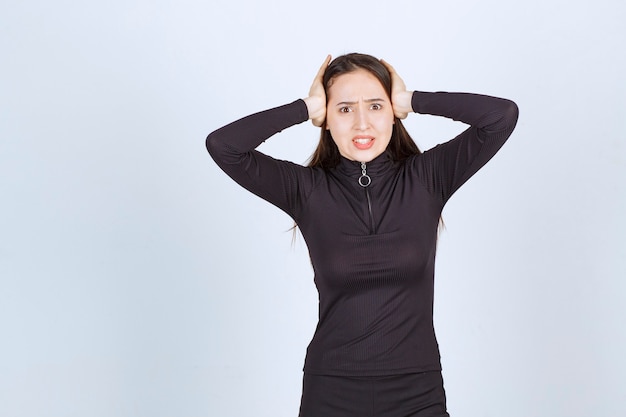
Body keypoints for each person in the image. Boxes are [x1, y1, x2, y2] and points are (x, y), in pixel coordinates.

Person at [206, 53, 519, 417]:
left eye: (375, 106)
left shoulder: (428, 179)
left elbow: (501, 117)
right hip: (332, 391)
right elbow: (224, 146)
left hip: (417, 391)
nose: (362, 123)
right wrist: (303, 108)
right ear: (325, 120)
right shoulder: (306, 191)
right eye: (344, 109)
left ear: (391, 112)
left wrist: (412, 100)